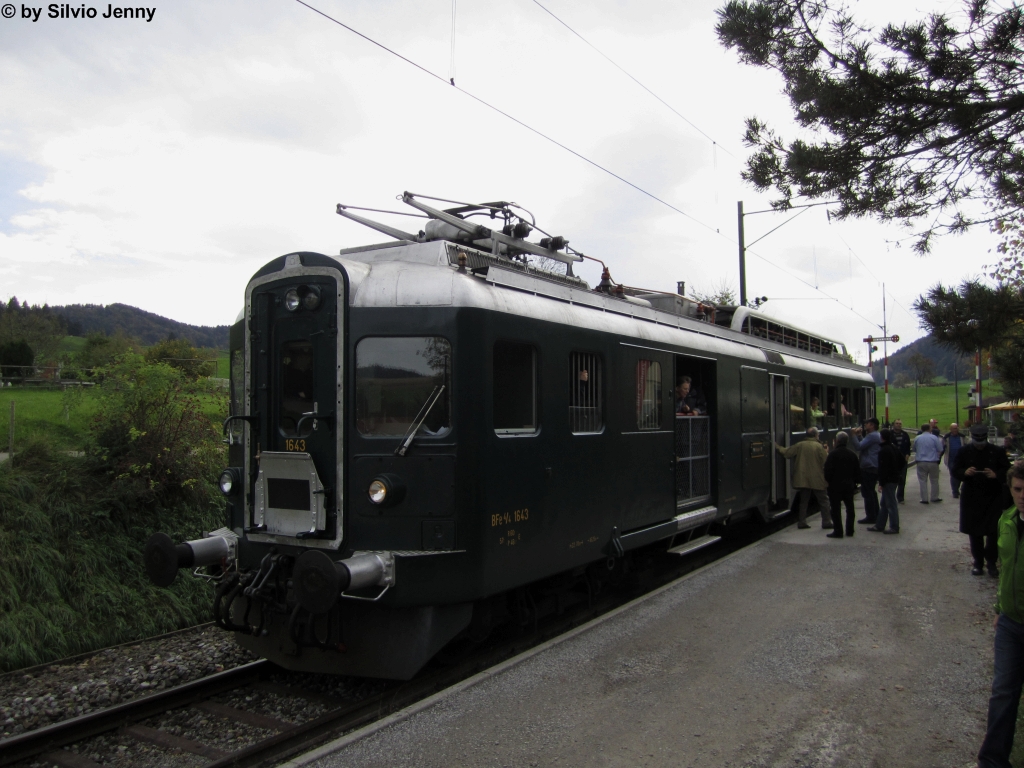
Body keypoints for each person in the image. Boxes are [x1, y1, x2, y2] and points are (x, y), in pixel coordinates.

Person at [976, 460, 1024, 768]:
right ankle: (992, 760)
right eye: (1018, 489)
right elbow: (1006, 569)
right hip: (1009, 622)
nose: (1023, 496)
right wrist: (998, 608)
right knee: (1003, 692)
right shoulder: (1007, 520)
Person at [953, 423, 1011, 578]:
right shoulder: (964, 451)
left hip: (992, 497)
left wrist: (996, 474)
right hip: (972, 497)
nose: (979, 445)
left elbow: (1007, 470)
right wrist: (965, 472)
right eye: (977, 442)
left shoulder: (997, 451)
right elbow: (955, 470)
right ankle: (978, 562)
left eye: (982, 442)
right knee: (975, 533)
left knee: (993, 532)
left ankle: (991, 562)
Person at [775, 427, 831, 530]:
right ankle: (826, 522)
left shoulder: (799, 445)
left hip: (803, 478)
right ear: (816, 435)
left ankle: (802, 522)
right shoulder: (819, 447)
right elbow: (826, 462)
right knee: (824, 501)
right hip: (817, 479)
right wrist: (827, 452)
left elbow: (786, 453)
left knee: (803, 501)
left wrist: (776, 446)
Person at [824, 431, 860, 538]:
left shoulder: (832, 455)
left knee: (835, 509)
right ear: (847, 441)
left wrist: (829, 481)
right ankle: (850, 530)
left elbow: (827, 472)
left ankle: (838, 531)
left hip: (835, 486)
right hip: (849, 485)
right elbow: (857, 472)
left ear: (837, 441)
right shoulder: (852, 454)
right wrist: (854, 482)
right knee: (850, 508)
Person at [870, 429, 905, 534]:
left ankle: (894, 526)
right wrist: (897, 471)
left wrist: (881, 483)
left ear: (881, 437)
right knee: (884, 503)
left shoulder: (883, 450)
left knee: (890, 504)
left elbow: (883, 468)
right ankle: (880, 524)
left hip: (888, 480)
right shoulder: (894, 447)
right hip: (894, 478)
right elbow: (902, 461)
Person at [851, 418, 882, 526]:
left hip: (869, 467)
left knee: (867, 492)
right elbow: (865, 445)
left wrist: (853, 435)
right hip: (873, 466)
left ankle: (871, 516)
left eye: (867, 423)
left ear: (872, 425)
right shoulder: (875, 435)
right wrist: (860, 436)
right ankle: (875, 514)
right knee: (871, 491)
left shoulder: (872, 436)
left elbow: (859, 447)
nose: (865, 425)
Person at [914, 423, 945, 503]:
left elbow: (914, 449)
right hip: (933, 461)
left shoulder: (917, 438)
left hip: (921, 461)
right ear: (929, 429)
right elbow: (940, 449)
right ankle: (934, 497)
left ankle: (924, 498)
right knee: (934, 480)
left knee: (922, 481)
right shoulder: (934, 438)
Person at [892, 419, 912, 503]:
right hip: (893, 460)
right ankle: (891, 496)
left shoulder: (905, 435)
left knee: (902, 479)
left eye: (900, 424)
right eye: (897, 423)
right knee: (893, 479)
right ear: (894, 424)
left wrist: (908, 454)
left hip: (903, 460)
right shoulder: (890, 434)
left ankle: (900, 497)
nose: (898, 425)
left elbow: (908, 446)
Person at [945, 422, 965, 499]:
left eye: (956, 428)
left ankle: (957, 488)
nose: (955, 430)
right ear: (950, 429)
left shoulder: (962, 437)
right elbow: (943, 447)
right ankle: (955, 491)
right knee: (953, 475)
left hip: (961, 460)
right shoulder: (947, 437)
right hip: (951, 460)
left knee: (960, 475)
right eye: (954, 428)